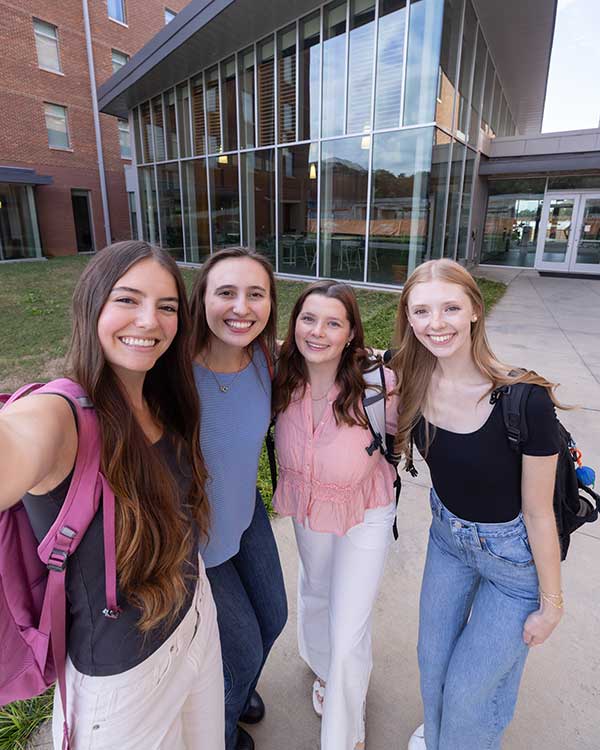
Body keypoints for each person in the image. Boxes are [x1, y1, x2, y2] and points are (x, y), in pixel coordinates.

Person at [0, 241, 224, 749]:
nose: (149, 320)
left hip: (194, 618)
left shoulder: (165, 400)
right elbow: (14, 442)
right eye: (127, 300)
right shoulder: (60, 416)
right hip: (123, 683)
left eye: (167, 306)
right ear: (92, 305)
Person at [388, 259, 563, 750]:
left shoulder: (525, 399)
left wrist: (552, 605)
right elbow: (332, 347)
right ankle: (444, 735)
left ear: (473, 312)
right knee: (432, 661)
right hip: (447, 541)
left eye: (449, 308)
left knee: (469, 692)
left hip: (512, 563)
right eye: (421, 311)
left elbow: (539, 513)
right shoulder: (409, 376)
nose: (435, 323)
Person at [272, 280, 398, 750]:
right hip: (307, 505)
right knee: (318, 592)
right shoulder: (279, 373)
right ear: (294, 324)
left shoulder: (381, 382)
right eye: (308, 319)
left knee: (350, 627)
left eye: (332, 323)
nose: (318, 332)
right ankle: (324, 669)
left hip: (367, 509)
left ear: (351, 334)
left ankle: (344, 735)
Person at [189, 247, 288, 750]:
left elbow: (328, 350)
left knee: (275, 618)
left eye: (256, 294)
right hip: (195, 537)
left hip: (246, 514)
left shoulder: (265, 357)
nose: (241, 308)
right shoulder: (173, 374)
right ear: (202, 297)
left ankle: (238, 690)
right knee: (244, 650)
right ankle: (220, 734)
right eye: (226, 292)